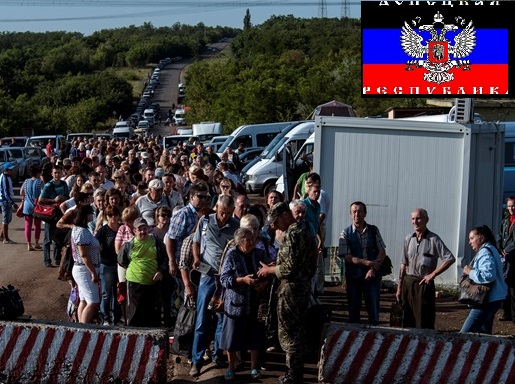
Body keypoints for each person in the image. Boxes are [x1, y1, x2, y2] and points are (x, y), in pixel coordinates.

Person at [257, 202, 317, 384]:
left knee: (290, 333)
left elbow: (289, 268)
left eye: (275, 222)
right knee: (297, 330)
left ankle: (293, 374)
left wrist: (269, 271)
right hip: (302, 286)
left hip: (291, 289)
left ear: (284, 215)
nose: (274, 226)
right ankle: (295, 373)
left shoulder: (292, 234)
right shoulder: (304, 230)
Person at [189, 195, 239, 377]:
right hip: (207, 276)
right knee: (202, 319)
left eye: (228, 213)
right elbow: (196, 242)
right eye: (221, 212)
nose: (224, 216)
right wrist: (196, 258)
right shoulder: (205, 221)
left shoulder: (236, 226)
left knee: (222, 318)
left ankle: (218, 353)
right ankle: (197, 360)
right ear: (216, 208)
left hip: (224, 278)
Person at [219, 227, 269, 381]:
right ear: (240, 242)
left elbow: (269, 271)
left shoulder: (259, 254)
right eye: (248, 240)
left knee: (255, 336)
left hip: (255, 302)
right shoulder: (232, 255)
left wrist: (265, 283)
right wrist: (242, 280)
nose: (252, 242)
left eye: (253, 238)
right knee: (232, 338)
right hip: (236, 303)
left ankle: (254, 368)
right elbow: (224, 279)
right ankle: (231, 368)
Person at [395, 208, 456, 329]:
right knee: (407, 319)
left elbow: (449, 258)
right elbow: (403, 264)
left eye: (418, 218)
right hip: (408, 282)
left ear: (426, 220)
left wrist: (433, 274)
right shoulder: (408, 238)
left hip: (423, 284)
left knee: (423, 320)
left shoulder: (434, 239)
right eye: (413, 219)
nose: (415, 222)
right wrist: (399, 287)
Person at [339, 201, 387, 325]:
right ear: (350, 214)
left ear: (365, 213)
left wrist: (373, 269)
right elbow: (348, 257)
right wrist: (368, 263)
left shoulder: (373, 230)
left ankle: (375, 339)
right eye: (354, 212)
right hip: (354, 278)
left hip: (372, 277)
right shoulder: (345, 233)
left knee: (374, 313)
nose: (357, 214)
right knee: (354, 314)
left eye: (360, 211)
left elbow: (382, 251)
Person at [117, 218, 168, 327]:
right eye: (139, 229)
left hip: (153, 282)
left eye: (144, 228)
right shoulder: (129, 245)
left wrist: (160, 271)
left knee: (152, 314)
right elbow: (121, 260)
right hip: (135, 283)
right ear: (134, 231)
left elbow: (165, 258)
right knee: (135, 313)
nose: (142, 232)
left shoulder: (155, 241)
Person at [461, 225, 508, 334]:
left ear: (482, 238)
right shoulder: (491, 249)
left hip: (486, 300)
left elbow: (488, 275)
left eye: (472, 238)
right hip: (493, 299)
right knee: (484, 335)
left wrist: (470, 272)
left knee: (464, 335)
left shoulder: (485, 252)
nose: (470, 242)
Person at [71, 205, 101, 324]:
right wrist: (93, 272)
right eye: (90, 214)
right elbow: (84, 255)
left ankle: (81, 324)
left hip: (83, 269)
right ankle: (84, 327)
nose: (92, 216)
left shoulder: (80, 229)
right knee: (93, 301)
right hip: (85, 269)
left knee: (84, 300)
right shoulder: (82, 232)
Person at [96, 205, 122, 326]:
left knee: (118, 292)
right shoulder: (103, 230)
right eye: (110, 215)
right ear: (106, 217)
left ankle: (117, 317)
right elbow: (95, 245)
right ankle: (105, 317)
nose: (113, 218)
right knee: (107, 293)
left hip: (120, 265)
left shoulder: (122, 228)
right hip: (107, 265)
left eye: (115, 215)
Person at [39, 165, 69, 267]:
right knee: (47, 239)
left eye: (58, 172)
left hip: (59, 214)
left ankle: (57, 259)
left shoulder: (64, 184)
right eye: (55, 173)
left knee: (57, 239)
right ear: (52, 174)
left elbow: (68, 197)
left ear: (61, 173)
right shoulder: (48, 185)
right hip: (50, 215)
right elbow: (41, 200)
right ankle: (47, 260)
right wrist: (53, 200)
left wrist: (63, 198)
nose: (57, 174)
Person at [497, 196, 515, 322]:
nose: (511, 208)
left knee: (513, 286)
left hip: (513, 257)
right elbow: (499, 235)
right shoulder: (505, 220)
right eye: (509, 206)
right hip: (505, 258)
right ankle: (506, 312)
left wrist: (506, 250)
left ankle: (513, 315)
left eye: (513, 205)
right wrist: (499, 248)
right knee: (505, 284)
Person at [20, 166, 43, 250]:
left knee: (28, 226)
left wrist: (24, 197)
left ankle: (29, 245)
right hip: (36, 206)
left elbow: (21, 192)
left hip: (27, 206)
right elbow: (42, 193)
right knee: (37, 225)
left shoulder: (26, 181)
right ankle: (36, 243)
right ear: (37, 173)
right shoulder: (40, 182)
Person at [0, 163, 19, 244]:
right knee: (5, 220)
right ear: (6, 170)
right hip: (5, 201)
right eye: (10, 170)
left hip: (5, 200)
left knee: (7, 219)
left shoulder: (6, 177)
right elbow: (6, 192)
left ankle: (1, 236)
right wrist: (12, 203)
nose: (12, 171)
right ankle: (6, 239)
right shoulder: (5, 178)